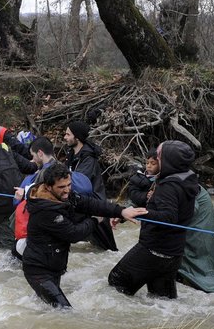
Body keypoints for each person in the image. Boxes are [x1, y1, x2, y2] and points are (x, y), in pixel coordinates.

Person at [23, 163, 145, 309]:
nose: (67, 190)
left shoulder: (63, 196)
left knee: (48, 309)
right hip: (38, 270)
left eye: (69, 185)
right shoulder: (45, 210)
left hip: (54, 264)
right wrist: (95, 220)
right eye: (62, 187)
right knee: (65, 311)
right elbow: (74, 234)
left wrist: (121, 211)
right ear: (48, 187)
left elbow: (90, 204)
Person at [108, 140, 199, 299]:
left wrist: (137, 213)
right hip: (173, 253)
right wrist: (126, 214)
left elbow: (168, 217)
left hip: (154, 250)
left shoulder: (169, 186)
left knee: (116, 283)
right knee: (161, 301)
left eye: (159, 156)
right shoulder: (187, 179)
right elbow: (161, 207)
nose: (156, 159)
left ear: (169, 160)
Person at [64, 120, 116, 250]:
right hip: (81, 206)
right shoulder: (72, 155)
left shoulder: (88, 159)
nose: (65, 137)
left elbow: (79, 184)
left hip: (95, 208)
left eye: (68, 134)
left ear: (77, 137)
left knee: (107, 251)